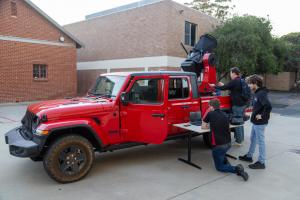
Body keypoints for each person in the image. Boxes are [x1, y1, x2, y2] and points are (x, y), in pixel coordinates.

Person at [202, 99, 249, 181]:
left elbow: (203, 126)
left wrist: (210, 123)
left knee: (219, 167)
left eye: (209, 106)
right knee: (221, 154)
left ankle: (236, 169)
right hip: (228, 144)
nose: (208, 108)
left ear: (211, 107)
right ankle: (226, 163)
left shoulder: (210, 114)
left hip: (218, 146)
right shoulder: (225, 114)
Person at [239, 75, 272, 169]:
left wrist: (261, 115)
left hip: (260, 122)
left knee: (260, 141)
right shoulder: (258, 93)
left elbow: (268, 106)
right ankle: (249, 156)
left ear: (255, 83)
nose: (248, 85)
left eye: (250, 83)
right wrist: (254, 108)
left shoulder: (261, 93)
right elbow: (260, 105)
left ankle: (261, 162)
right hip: (256, 122)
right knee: (253, 139)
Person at [209, 67, 247, 146]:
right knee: (240, 121)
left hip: (237, 105)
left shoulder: (235, 81)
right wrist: (224, 85)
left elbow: (224, 88)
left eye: (230, 73)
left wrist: (214, 86)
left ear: (233, 73)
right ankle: (241, 139)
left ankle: (239, 141)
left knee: (237, 122)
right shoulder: (241, 80)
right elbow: (231, 88)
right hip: (242, 104)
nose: (230, 75)